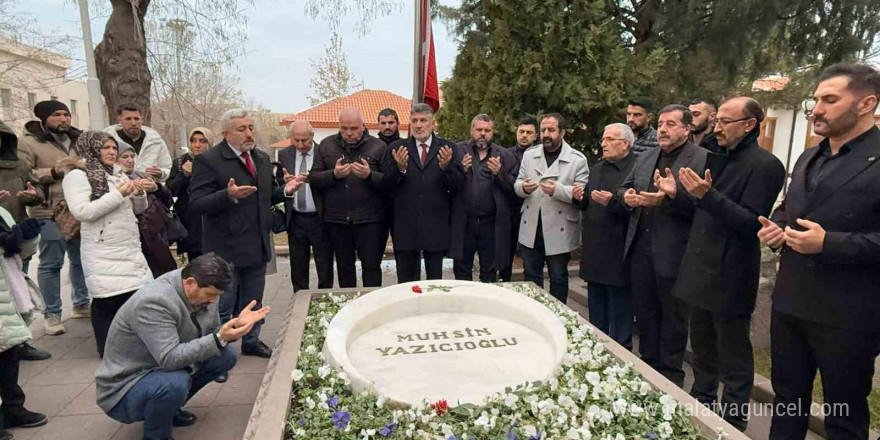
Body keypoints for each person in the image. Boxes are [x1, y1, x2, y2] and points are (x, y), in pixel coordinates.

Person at [759, 64, 880, 440]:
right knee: (787, 402)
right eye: (815, 100)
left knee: (843, 416)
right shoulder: (808, 157)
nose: (817, 108)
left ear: (867, 104)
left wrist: (828, 243)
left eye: (830, 99)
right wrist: (778, 226)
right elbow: (792, 209)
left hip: (848, 315)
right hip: (791, 303)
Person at [673, 97, 786, 431]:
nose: (715, 127)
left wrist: (707, 196)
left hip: (731, 272)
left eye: (724, 122)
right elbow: (702, 209)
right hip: (699, 267)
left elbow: (752, 223)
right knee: (702, 348)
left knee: (733, 353)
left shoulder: (766, 165)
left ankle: (734, 418)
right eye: (715, 120)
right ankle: (701, 404)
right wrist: (683, 194)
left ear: (749, 125)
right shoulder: (715, 156)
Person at [96, 253, 270, 440]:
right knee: (174, 382)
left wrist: (235, 326)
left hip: (159, 369)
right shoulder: (155, 301)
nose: (213, 301)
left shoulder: (206, 290)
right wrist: (219, 337)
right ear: (189, 283)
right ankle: (156, 435)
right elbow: (170, 358)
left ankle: (169, 408)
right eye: (210, 295)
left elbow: (210, 334)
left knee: (225, 355)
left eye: (217, 296)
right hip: (125, 387)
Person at [189, 109, 302, 359]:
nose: (249, 133)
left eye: (251, 127)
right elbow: (196, 202)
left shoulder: (260, 158)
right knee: (222, 305)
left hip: (256, 243)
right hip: (225, 248)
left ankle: (251, 340)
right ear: (225, 133)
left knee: (253, 302)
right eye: (242, 129)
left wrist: (286, 189)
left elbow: (267, 195)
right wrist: (227, 195)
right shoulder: (209, 160)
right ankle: (217, 350)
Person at [621, 104, 707, 387]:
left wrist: (673, 196)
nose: (663, 129)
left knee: (673, 321)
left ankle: (671, 380)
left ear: (686, 128)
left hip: (676, 254)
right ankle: (647, 372)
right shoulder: (645, 156)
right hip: (641, 251)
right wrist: (629, 196)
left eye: (671, 124)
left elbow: (706, 208)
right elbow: (626, 186)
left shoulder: (703, 159)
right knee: (644, 315)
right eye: (660, 123)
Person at [62, 131, 153, 357]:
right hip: (101, 248)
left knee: (133, 296)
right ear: (91, 149)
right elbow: (83, 211)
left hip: (127, 246)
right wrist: (119, 194)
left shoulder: (117, 173)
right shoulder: (77, 176)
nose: (112, 152)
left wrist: (139, 193)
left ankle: (133, 347)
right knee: (107, 299)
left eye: (114, 148)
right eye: (106, 148)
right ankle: (107, 351)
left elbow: (137, 209)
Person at [18, 100, 90, 336]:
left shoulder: (78, 139)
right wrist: (54, 172)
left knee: (80, 259)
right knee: (52, 263)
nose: (63, 119)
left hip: (77, 207)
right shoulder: (28, 142)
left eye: (66, 114)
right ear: (44, 118)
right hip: (48, 209)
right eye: (57, 115)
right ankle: (52, 314)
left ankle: (81, 303)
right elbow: (24, 173)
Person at [310, 108, 394, 288]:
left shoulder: (378, 146)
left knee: (371, 267)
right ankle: (348, 307)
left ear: (364, 126)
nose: (349, 133)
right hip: (337, 221)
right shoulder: (326, 145)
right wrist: (333, 174)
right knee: (344, 268)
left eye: (354, 128)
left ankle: (372, 308)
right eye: (344, 128)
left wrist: (370, 175)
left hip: (371, 221)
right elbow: (314, 178)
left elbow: (390, 182)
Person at [572, 123, 637, 350]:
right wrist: (581, 198)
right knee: (596, 299)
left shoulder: (637, 167)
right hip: (595, 244)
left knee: (619, 302)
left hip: (620, 245)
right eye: (603, 139)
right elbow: (589, 202)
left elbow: (638, 207)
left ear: (625, 144)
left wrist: (614, 201)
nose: (603, 143)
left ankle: (621, 348)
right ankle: (597, 344)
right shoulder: (597, 168)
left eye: (610, 139)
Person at [514, 113, 589, 303]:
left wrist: (558, 190)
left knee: (558, 276)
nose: (546, 134)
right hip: (532, 225)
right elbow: (518, 183)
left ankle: (558, 317)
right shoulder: (530, 155)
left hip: (559, 226)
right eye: (543, 130)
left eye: (551, 130)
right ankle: (533, 313)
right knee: (531, 275)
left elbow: (581, 194)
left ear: (562, 132)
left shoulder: (577, 160)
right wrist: (523, 187)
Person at [387, 103, 464, 282]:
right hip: (406, 226)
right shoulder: (397, 148)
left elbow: (459, 185)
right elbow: (386, 185)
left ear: (433, 123)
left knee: (434, 282)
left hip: (436, 226)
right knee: (406, 282)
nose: (419, 125)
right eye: (414, 120)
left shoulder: (448, 148)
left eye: (423, 120)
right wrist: (400, 169)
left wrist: (446, 168)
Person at [0, 120, 50, 362]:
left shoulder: (18, 165)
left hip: (17, 235)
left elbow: (38, 191)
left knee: (19, 291)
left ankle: (22, 341)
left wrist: (33, 196)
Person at [450, 114, 517, 283]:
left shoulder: (505, 155)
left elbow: (514, 188)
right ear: (472, 130)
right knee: (462, 270)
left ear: (492, 132)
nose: (483, 134)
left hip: (491, 224)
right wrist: (461, 170)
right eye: (479, 129)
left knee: (489, 271)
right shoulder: (457, 151)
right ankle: (463, 307)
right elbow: (446, 183)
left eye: (487, 130)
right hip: (464, 223)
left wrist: (499, 173)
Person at [0, 208, 48, 438]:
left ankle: (13, 409)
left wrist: (27, 236)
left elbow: (21, 254)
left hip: (8, 295)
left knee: (9, 354)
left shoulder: (0, 212)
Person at [277, 120, 333, 292]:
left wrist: (313, 180)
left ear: (312, 137)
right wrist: (284, 182)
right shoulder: (285, 155)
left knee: (324, 265)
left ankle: (324, 299)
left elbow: (332, 182)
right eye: (296, 140)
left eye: (304, 140)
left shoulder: (324, 153)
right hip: (295, 219)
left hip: (319, 218)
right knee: (298, 265)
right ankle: (299, 301)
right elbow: (278, 183)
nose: (300, 145)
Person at [117, 144, 178, 277]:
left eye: (132, 156)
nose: (130, 160)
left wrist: (156, 187)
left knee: (164, 273)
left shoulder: (142, 175)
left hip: (155, 232)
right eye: (124, 157)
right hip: (132, 235)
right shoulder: (114, 180)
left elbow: (167, 199)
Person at [500, 115, 539, 282]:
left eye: (529, 132)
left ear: (536, 136)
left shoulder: (541, 156)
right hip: (509, 212)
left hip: (532, 212)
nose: (524, 135)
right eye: (521, 131)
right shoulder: (504, 154)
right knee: (505, 257)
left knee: (531, 260)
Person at [167, 127, 212, 262]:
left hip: (212, 220)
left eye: (203, 141)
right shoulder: (181, 163)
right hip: (191, 222)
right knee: (197, 264)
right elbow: (171, 190)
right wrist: (184, 175)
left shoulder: (216, 162)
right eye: (194, 141)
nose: (197, 145)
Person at [104, 104, 173, 183]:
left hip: (151, 190)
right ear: (119, 120)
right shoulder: (108, 143)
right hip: (121, 189)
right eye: (128, 119)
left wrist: (161, 173)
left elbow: (168, 168)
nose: (133, 123)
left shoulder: (155, 141)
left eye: (136, 119)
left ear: (142, 119)